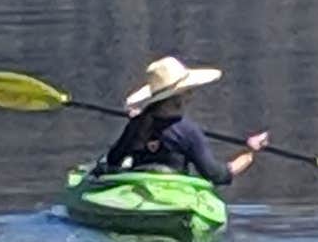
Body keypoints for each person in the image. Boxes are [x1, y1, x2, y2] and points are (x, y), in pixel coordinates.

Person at [92, 56, 267, 188]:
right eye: (188, 91)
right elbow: (215, 175)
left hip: (139, 188)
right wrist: (248, 154)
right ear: (180, 97)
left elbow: (114, 160)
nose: (191, 94)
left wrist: (138, 120)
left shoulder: (137, 125)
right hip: (174, 191)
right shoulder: (189, 132)